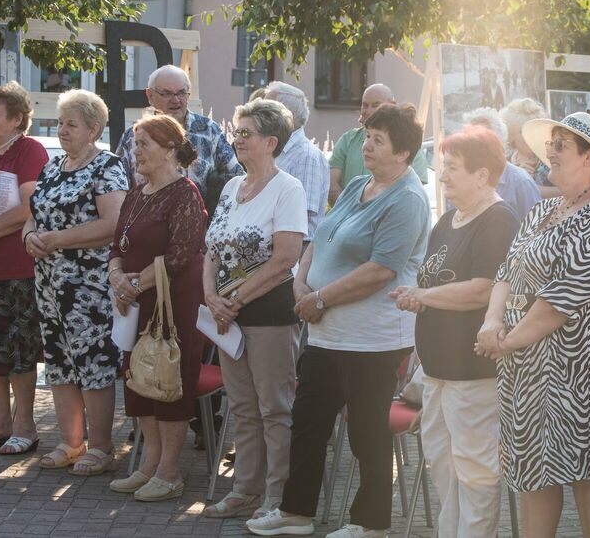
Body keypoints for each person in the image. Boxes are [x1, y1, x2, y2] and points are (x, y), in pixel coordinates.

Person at [249, 104, 431, 537]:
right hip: (327, 332)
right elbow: (323, 235)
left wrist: (321, 299)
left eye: (378, 140)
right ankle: (296, 512)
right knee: (308, 423)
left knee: (367, 435)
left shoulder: (407, 198)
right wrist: (301, 287)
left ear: (404, 153)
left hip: (373, 340)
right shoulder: (356, 185)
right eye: (367, 136)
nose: (365, 145)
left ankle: (371, 524)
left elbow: (381, 270)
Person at [475, 112, 590, 538]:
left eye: (562, 144)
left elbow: (561, 300)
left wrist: (506, 340)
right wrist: (492, 322)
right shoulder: (543, 210)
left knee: (589, 475)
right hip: (524, 364)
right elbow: (505, 272)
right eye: (552, 142)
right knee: (532, 474)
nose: (551, 151)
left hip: (578, 366)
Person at [390, 126, 520, 536]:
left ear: (482, 175)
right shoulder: (448, 218)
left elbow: (482, 289)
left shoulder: (498, 220)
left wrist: (424, 297)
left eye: (452, 169)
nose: (442, 176)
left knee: (476, 471)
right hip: (437, 370)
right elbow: (434, 282)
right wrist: (417, 295)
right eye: (442, 167)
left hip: (473, 371)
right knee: (443, 466)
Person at [202, 99, 308, 519]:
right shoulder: (232, 186)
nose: (236, 140)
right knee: (242, 407)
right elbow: (212, 247)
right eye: (236, 132)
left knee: (274, 408)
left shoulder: (289, 188)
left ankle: (276, 498)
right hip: (226, 313)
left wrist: (235, 300)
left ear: (270, 141)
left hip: (268, 313)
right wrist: (212, 297)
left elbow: (285, 257)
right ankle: (244, 490)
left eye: (245, 133)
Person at [24, 89, 129, 474]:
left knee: (93, 363)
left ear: (94, 129)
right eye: (61, 123)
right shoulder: (52, 166)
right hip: (49, 283)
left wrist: (57, 240)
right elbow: (34, 212)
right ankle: (70, 442)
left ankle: (100, 447)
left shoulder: (107, 166)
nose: (63, 130)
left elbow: (113, 224)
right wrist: (29, 236)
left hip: (88, 287)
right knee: (59, 363)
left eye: (72, 124)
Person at [106, 115, 207, 501]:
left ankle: (169, 471)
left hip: (172, 303)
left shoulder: (185, 193)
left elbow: (181, 254)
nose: (137, 152)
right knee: (137, 379)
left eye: (144, 143)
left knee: (166, 378)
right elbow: (118, 244)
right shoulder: (136, 192)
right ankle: (148, 462)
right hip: (134, 300)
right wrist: (117, 276)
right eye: (135, 144)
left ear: (169, 148)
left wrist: (132, 284)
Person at [0, 83, 49, 455]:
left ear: (18, 119)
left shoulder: (29, 150)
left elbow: (29, 209)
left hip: (16, 266)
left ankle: (26, 426)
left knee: (18, 349)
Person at [116, 64, 243, 215]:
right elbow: (119, 187)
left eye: (182, 93)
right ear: (150, 96)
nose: (176, 100)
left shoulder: (208, 130)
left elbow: (237, 177)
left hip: (198, 223)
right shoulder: (133, 136)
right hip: (146, 224)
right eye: (167, 94)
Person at [327, 84, 429, 206]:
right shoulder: (347, 139)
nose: (368, 110)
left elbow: (412, 196)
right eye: (365, 105)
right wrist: (347, 211)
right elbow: (331, 184)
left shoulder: (408, 147)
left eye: (375, 105)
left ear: (392, 104)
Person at [263, 82, 330, 242]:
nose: (259, 115)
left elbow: (301, 218)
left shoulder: (306, 157)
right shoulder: (275, 148)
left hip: (293, 256)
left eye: (266, 110)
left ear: (288, 115)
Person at [461, 107, 540, 220]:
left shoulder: (521, 184)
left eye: (481, 140)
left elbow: (536, 230)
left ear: (499, 142)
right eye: (468, 141)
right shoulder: (461, 181)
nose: (473, 147)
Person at [500, 98, 559, 198]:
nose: (530, 137)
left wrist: (526, 184)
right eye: (523, 131)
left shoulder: (552, 158)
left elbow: (569, 191)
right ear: (511, 134)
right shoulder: (505, 161)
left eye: (534, 130)